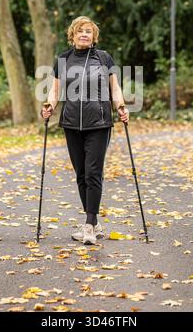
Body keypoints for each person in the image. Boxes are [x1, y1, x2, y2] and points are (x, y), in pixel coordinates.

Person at [40, 16, 129, 245]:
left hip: (99, 124)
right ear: (73, 35)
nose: (84, 35)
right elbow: (55, 90)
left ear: (94, 36)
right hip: (71, 124)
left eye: (88, 31)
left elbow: (115, 88)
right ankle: (95, 222)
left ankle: (89, 226)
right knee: (81, 174)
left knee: (92, 172)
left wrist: (120, 106)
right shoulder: (63, 59)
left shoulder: (103, 58)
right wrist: (49, 105)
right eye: (80, 31)